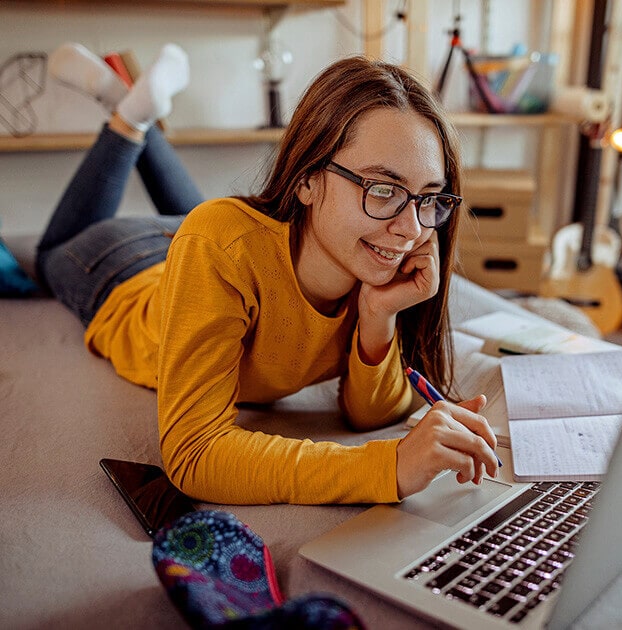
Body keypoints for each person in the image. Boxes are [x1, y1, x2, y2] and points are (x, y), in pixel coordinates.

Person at [38, 42, 500, 506]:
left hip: (201, 240)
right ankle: (128, 117)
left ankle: (135, 105)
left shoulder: (370, 262)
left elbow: (371, 415)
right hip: (125, 270)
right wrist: (388, 467)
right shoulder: (218, 244)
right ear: (305, 179)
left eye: (430, 198)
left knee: (204, 220)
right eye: (382, 189)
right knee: (51, 253)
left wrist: (378, 314)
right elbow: (194, 454)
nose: (411, 229)